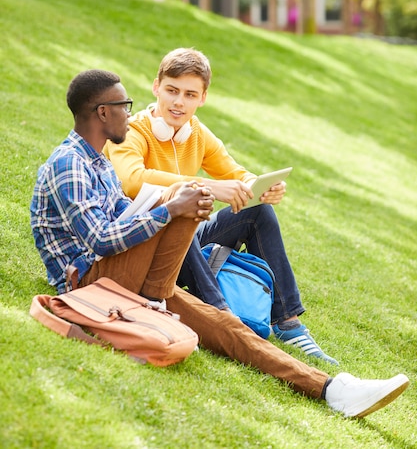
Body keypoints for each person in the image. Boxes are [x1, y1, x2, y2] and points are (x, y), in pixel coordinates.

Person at [30, 69, 409, 418]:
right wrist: (171, 208)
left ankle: (332, 389)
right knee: (179, 195)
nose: (129, 115)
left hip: (135, 279)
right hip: (91, 283)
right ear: (101, 113)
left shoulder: (97, 163)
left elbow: (124, 214)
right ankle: (161, 301)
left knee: (228, 329)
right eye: (123, 107)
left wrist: (178, 204)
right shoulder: (70, 164)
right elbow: (100, 239)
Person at [103, 48, 336, 364]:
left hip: (187, 245)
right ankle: (224, 317)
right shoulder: (131, 131)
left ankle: (288, 323)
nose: (178, 102)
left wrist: (261, 186)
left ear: (202, 98)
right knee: (178, 213)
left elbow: (235, 173)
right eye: (171, 90)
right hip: (141, 245)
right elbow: (132, 180)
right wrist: (209, 186)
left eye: (189, 94)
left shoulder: (196, 134)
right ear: (156, 86)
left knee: (258, 213)